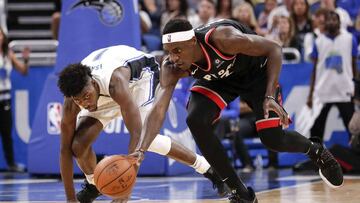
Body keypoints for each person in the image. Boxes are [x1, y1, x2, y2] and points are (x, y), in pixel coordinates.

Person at [132, 18, 344, 202]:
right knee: (195, 119)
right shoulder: (172, 67)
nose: (174, 58)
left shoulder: (224, 38)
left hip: (257, 75)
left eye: (177, 50)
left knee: (273, 140)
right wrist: (140, 151)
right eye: (169, 52)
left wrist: (270, 96)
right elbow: (159, 110)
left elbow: (274, 49)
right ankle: (239, 192)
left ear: (192, 41)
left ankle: (317, 151)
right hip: (220, 81)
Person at [57, 45, 226, 203]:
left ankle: (207, 168)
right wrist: (70, 200)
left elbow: (137, 136)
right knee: (78, 145)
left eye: (86, 97)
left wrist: (125, 189)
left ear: (93, 84)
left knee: (147, 139)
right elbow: (65, 150)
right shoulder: (74, 100)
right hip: (104, 89)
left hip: (140, 79)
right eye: (78, 100)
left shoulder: (115, 82)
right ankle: (95, 184)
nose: (84, 103)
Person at [307, 11, 356, 143]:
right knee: (316, 129)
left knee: (353, 128)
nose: (331, 22)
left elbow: (353, 65)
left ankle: (357, 159)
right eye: (329, 19)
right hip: (323, 91)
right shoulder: (318, 42)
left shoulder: (350, 39)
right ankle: (317, 161)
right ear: (325, 23)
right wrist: (310, 94)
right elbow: (314, 70)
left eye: (334, 19)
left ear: (340, 22)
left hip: (344, 89)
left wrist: (355, 86)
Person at [0, 28, 29, 172]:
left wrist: (26, 59)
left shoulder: (8, 54)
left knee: (6, 132)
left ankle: (11, 163)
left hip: (4, 99)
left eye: (0, 34)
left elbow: (23, 71)